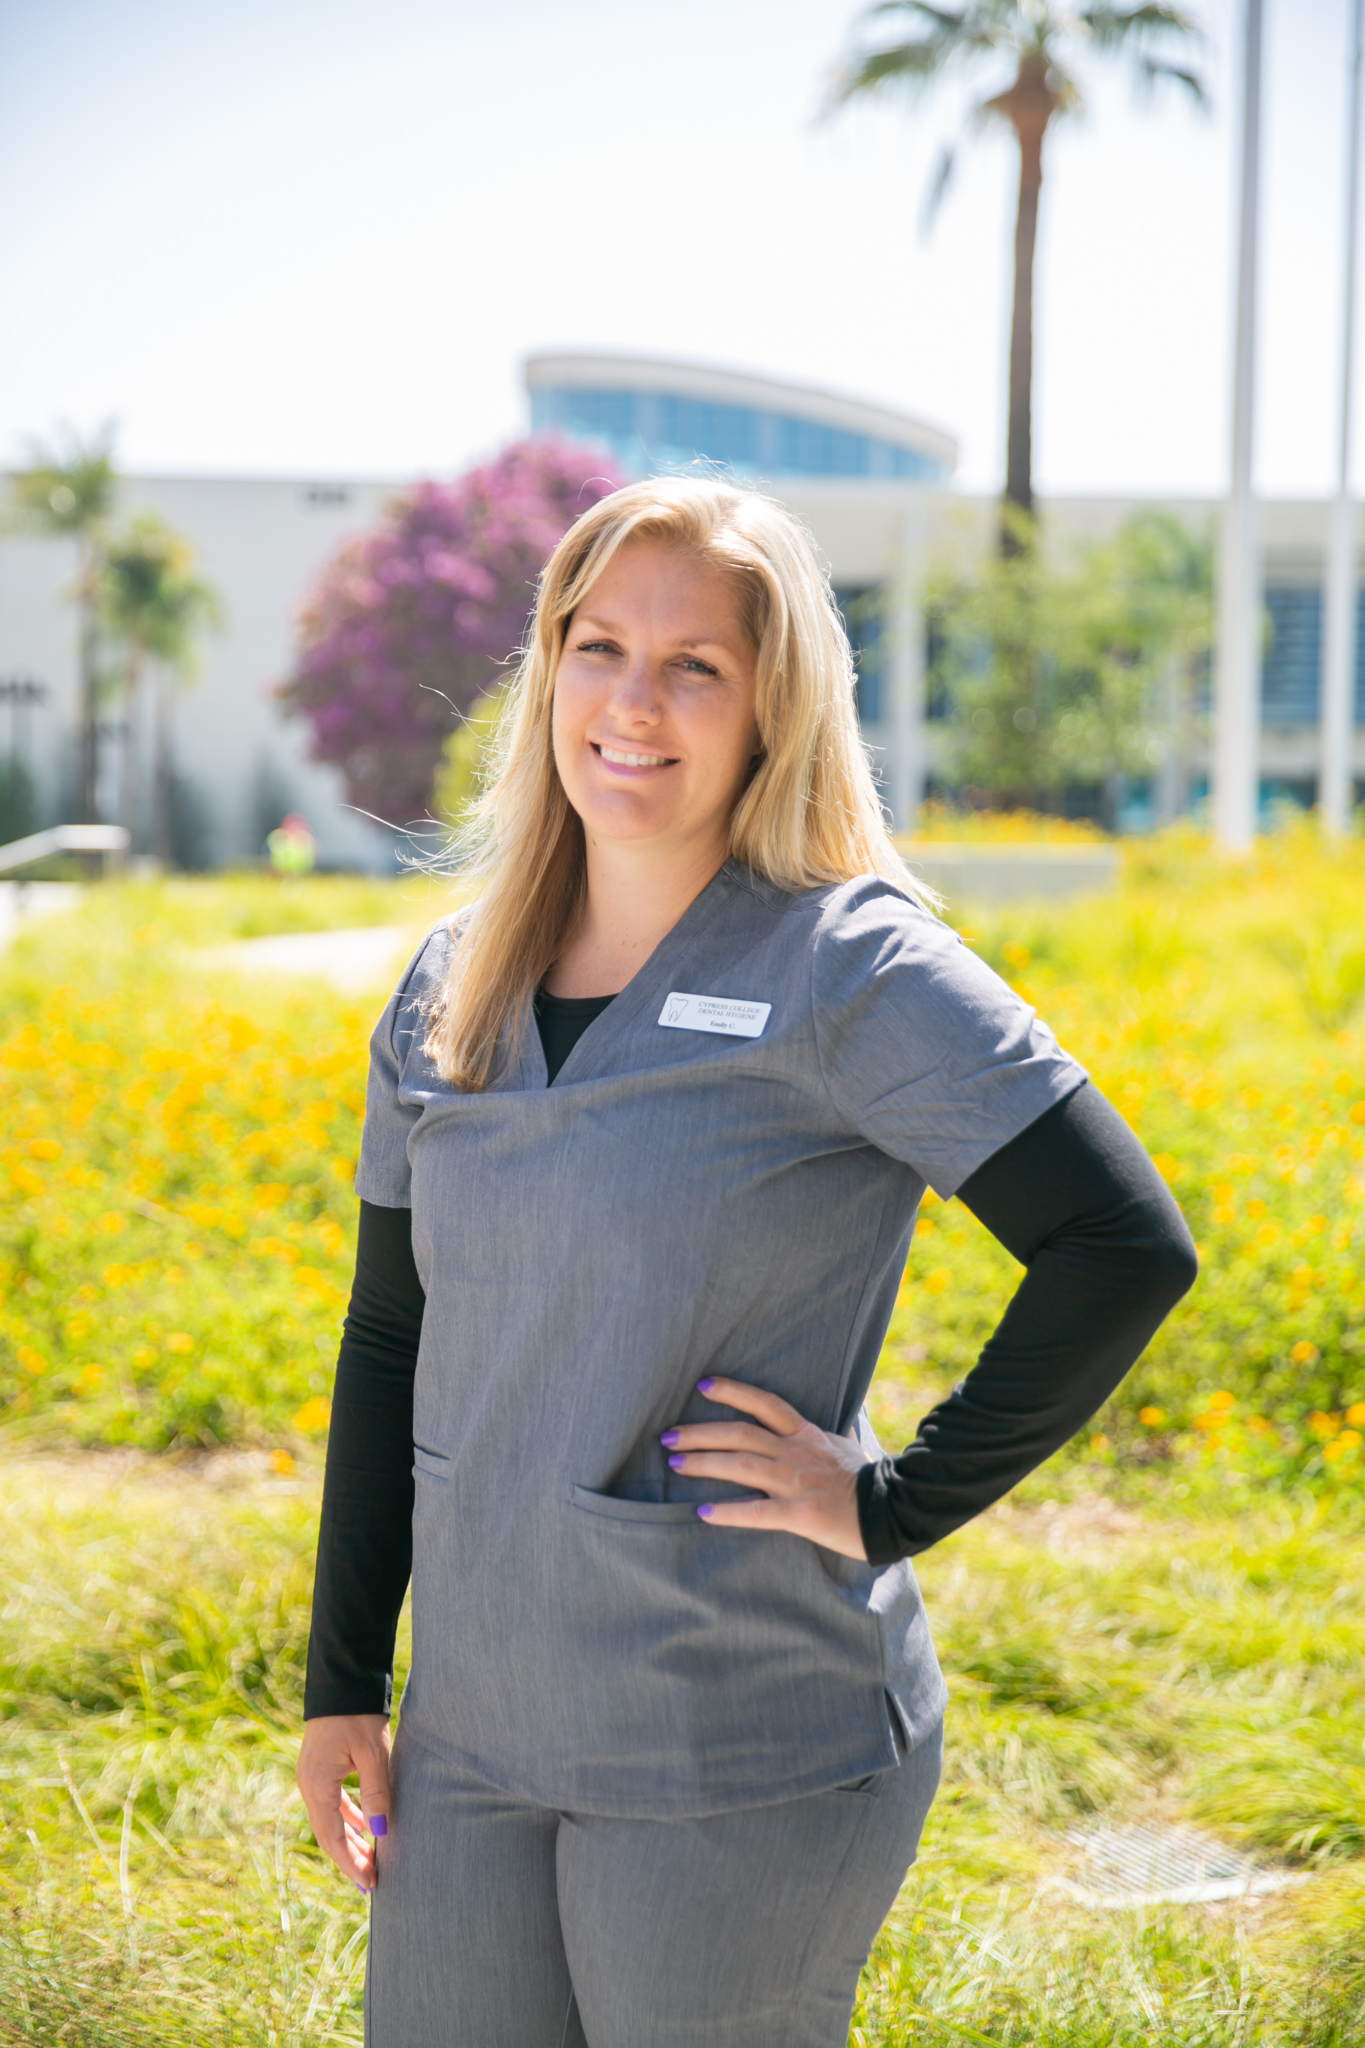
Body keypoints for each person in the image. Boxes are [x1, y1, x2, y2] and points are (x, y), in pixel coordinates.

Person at [296, 477, 1196, 2048]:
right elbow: (390, 1337)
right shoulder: (453, 982)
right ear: (547, 672)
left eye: (695, 665)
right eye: (596, 647)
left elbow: (1119, 1244)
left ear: (773, 705)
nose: (632, 704)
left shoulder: (853, 969)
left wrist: (890, 1500)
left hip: (735, 1737)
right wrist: (340, 1679)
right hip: (477, 1733)